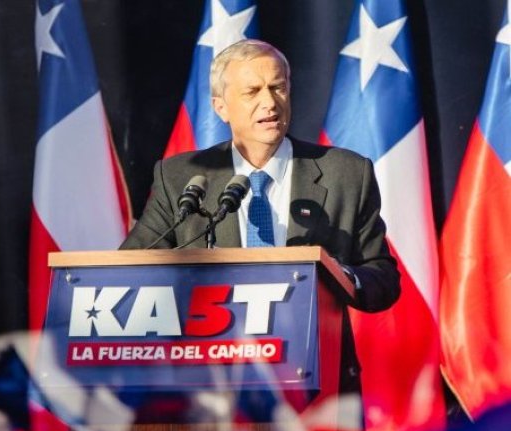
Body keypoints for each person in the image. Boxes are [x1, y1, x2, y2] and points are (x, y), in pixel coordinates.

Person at [120, 39, 400, 398]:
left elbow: (383, 278)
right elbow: (129, 270)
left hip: (318, 383)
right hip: (209, 390)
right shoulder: (180, 177)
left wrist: (337, 276)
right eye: (252, 92)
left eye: (277, 87)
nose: (269, 102)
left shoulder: (345, 173)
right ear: (221, 107)